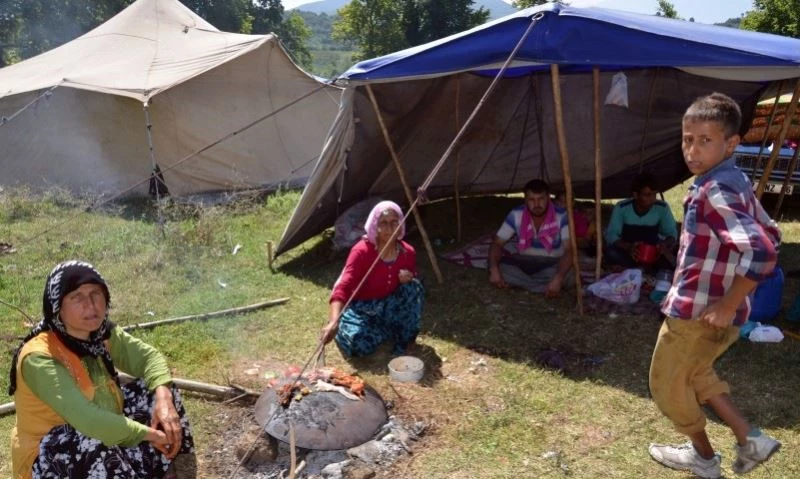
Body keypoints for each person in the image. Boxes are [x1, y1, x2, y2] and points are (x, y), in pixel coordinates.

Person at [648, 93, 782, 478]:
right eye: (687, 139)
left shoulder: (715, 190)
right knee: (697, 373)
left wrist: (727, 303)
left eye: (705, 140)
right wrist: (732, 304)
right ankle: (750, 439)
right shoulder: (732, 179)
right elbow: (773, 233)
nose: (692, 150)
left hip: (698, 313)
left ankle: (703, 458)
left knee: (668, 386)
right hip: (720, 314)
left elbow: (762, 251)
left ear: (731, 143)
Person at [9, 260, 196, 479]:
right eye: (77, 297)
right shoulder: (39, 358)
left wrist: (164, 400)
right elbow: (89, 420)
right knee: (92, 441)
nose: (90, 305)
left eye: (96, 294)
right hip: (52, 457)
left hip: (103, 428)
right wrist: (149, 435)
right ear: (57, 306)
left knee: (157, 390)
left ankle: (173, 470)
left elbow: (149, 358)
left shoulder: (100, 333)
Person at [321, 201, 425, 357]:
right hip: (362, 309)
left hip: (389, 305)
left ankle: (399, 335)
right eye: (383, 223)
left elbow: (411, 285)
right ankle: (351, 327)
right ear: (375, 226)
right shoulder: (361, 251)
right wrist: (333, 321)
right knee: (359, 345)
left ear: (401, 224)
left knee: (413, 287)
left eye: (394, 222)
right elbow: (343, 287)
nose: (390, 229)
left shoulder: (407, 252)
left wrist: (409, 278)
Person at [488, 179, 574, 297]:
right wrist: (494, 269)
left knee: (570, 272)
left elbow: (570, 250)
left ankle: (529, 285)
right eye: (532, 200)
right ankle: (543, 287)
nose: (537, 204)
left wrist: (558, 277)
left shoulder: (562, 215)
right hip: (524, 261)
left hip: (552, 264)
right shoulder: (516, 214)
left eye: (541, 199)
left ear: (548, 198)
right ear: (525, 200)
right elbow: (497, 243)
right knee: (497, 266)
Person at [604, 172, 678, 270]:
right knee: (611, 253)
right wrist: (628, 247)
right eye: (647, 195)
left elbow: (672, 233)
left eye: (654, 194)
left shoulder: (662, 208)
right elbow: (611, 234)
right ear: (635, 195)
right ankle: (644, 269)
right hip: (629, 252)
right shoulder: (622, 208)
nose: (652, 199)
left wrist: (664, 245)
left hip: (653, 254)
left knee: (671, 259)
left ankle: (639, 268)